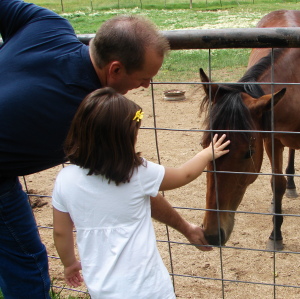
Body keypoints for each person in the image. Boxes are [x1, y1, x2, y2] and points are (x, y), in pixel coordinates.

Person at [0, 0, 170, 297]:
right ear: (115, 69)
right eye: (144, 78)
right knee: (27, 266)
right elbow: (130, 167)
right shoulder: (91, 115)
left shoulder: (48, 24)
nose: (146, 86)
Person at [52, 87, 230, 298]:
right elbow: (184, 175)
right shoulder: (137, 173)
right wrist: (206, 154)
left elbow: (60, 232)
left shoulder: (65, 179)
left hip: (102, 291)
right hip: (150, 290)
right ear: (123, 140)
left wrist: (70, 263)